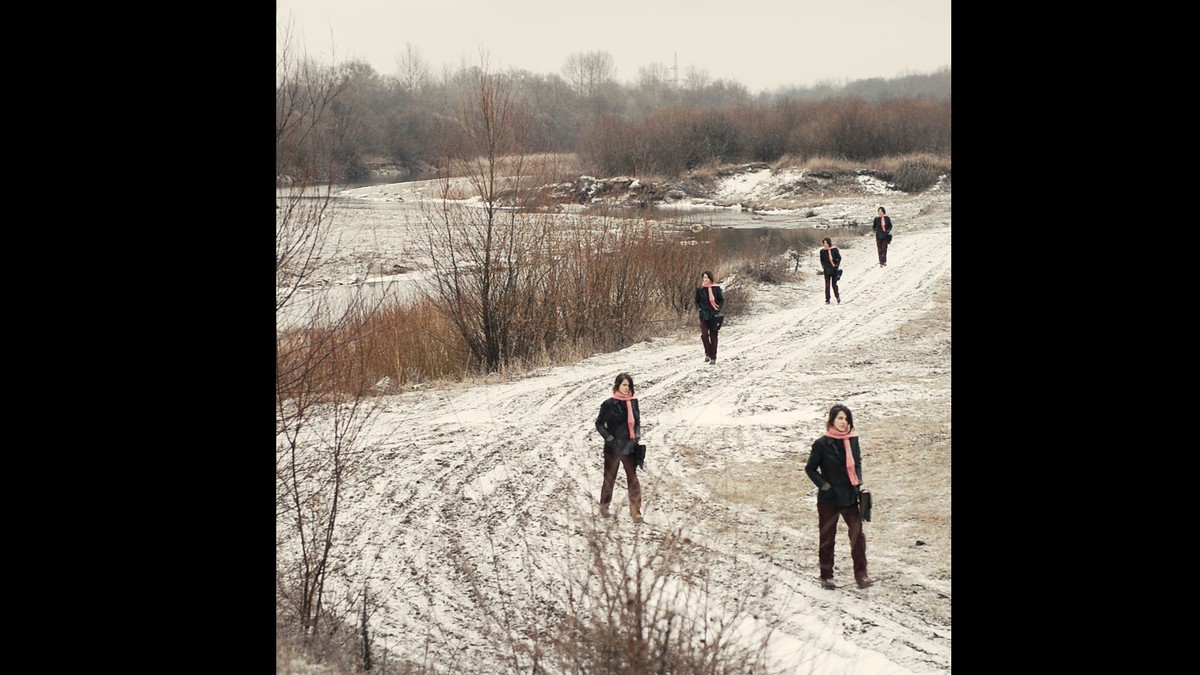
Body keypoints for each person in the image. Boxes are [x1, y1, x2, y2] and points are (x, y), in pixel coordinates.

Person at [805, 404, 872, 590]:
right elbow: (810, 469)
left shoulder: (853, 440)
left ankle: (862, 575)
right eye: (840, 418)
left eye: (846, 419)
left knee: (858, 536)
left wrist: (857, 480)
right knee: (827, 538)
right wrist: (825, 486)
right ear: (832, 420)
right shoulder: (821, 443)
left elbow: (857, 462)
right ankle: (826, 576)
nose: (844, 422)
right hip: (829, 499)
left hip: (850, 496)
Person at [594, 372, 643, 522]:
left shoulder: (633, 402)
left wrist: (637, 434)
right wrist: (609, 438)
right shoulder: (608, 404)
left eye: (629, 385)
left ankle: (635, 512)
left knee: (633, 480)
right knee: (609, 479)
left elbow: (637, 420)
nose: (627, 388)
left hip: (629, 447)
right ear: (617, 385)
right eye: (624, 385)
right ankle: (604, 506)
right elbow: (599, 424)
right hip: (613, 449)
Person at [694, 270, 725, 364]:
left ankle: (713, 357)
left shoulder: (716, 288)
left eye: (707, 277)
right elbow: (696, 301)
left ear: (710, 278)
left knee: (713, 336)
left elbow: (721, 300)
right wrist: (699, 309)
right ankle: (707, 353)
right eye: (704, 277)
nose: (706, 279)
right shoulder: (700, 289)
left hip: (713, 315)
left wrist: (718, 309)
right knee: (704, 335)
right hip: (703, 315)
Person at [819, 237, 842, 305]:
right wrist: (824, 266)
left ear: (829, 243)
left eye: (826, 243)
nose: (825, 244)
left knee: (834, 284)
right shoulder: (822, 251)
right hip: (827, 270)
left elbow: (839, 258)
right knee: (827, 285)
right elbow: (821, 260)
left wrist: (836, 265)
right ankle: (827, 299)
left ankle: (837, 297)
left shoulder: (834, 249)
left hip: (834, 269)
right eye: (824, 243)